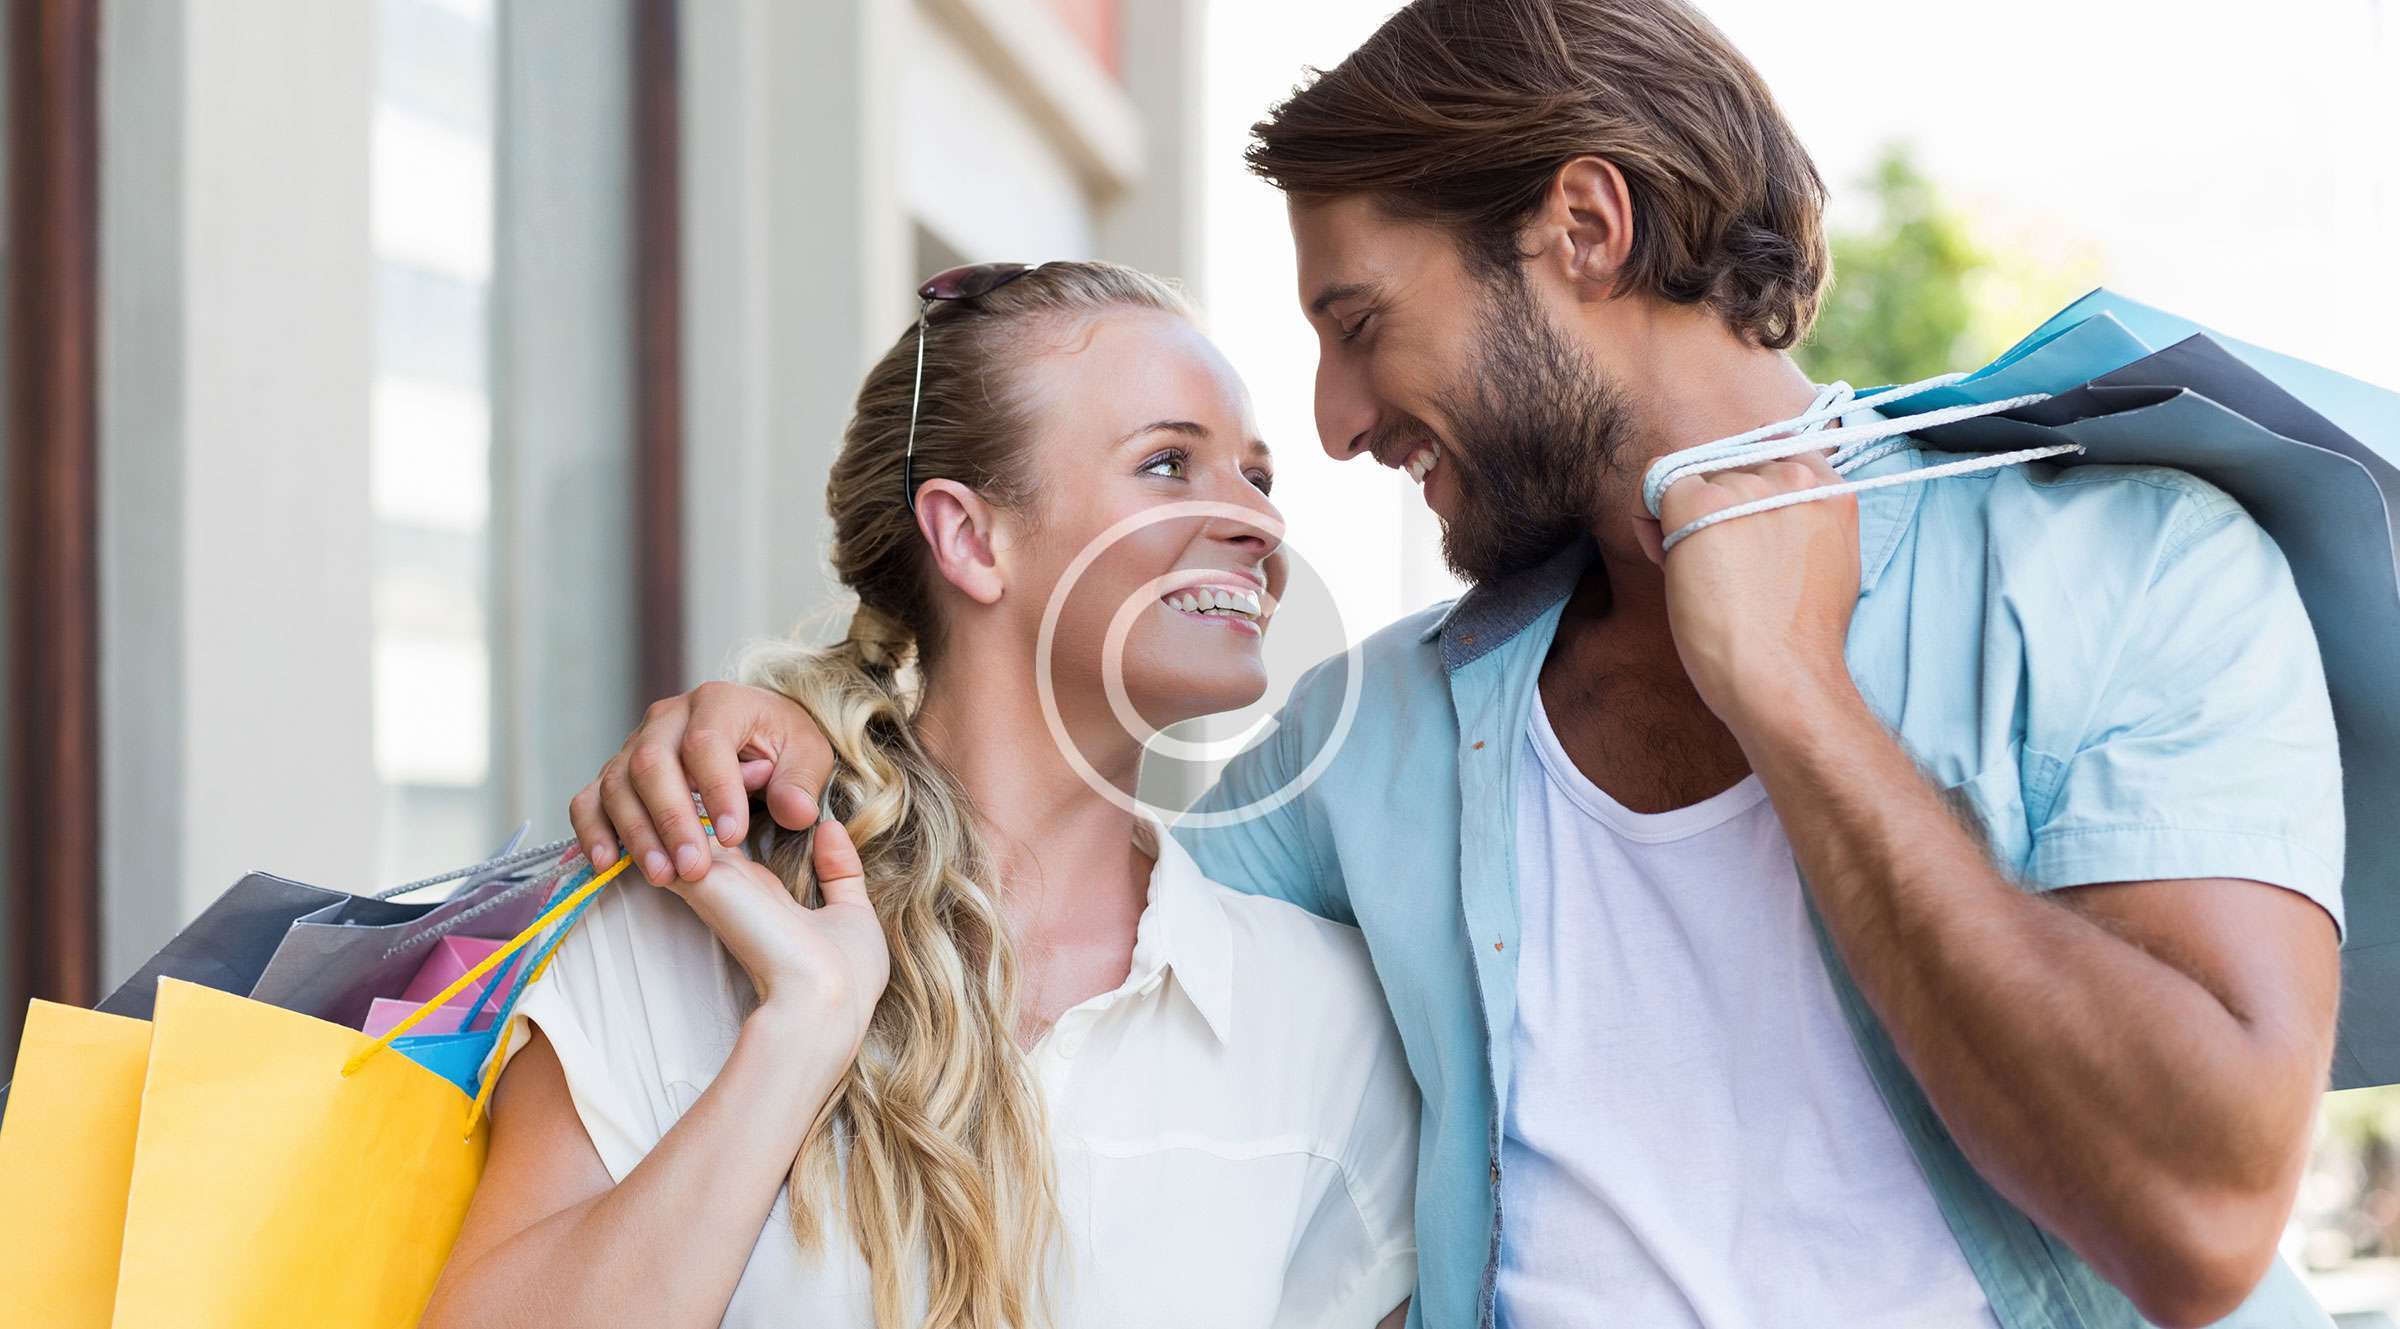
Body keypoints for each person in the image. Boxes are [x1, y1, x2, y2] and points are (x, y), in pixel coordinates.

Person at [586, 4, 2352, 1328]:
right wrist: (791, 726)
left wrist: (1794, 693)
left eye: (1360, 325)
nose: (1337, 424)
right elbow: (1042, 898)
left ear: (1583, 228)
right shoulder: (1375, 736)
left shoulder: (2130, 571)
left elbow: (2197, 1217)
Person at [421, 262, 1418, 1329]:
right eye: (1169, 464)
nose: (1259, 522)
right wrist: (802, 1031)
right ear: (970, 538)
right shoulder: (678, 933)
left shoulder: (1323, 1023)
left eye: (1257, 477)